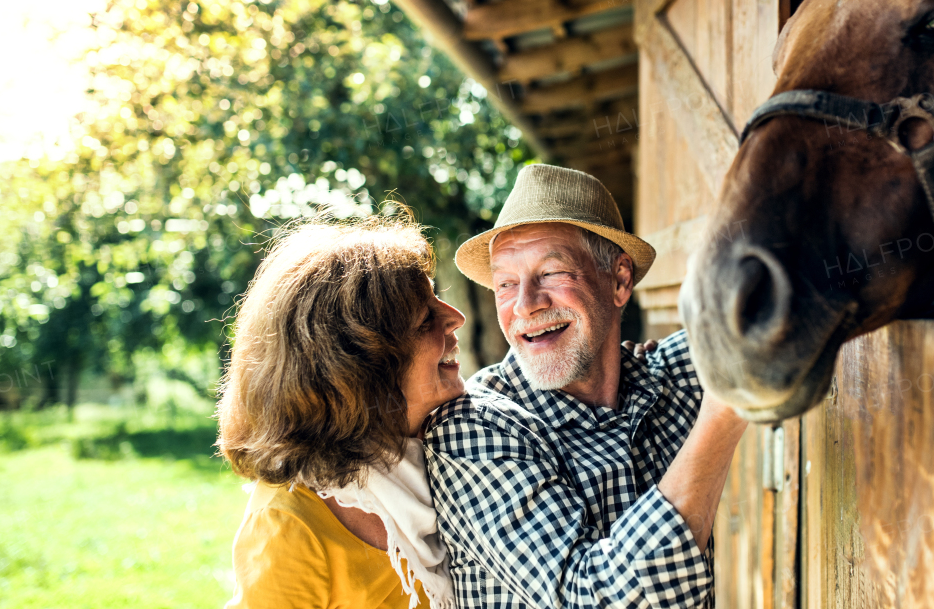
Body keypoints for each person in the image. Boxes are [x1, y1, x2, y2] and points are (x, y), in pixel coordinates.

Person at [425, 164, 748, 609]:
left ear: (619, 281)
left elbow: (768, 305)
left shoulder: (662, 381)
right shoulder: (472, 429)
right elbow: (590, 598)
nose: (525, 305)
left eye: (552, 273)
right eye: (505, 284)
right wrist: (724, 413)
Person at [216, 214, 466, 609]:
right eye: (425, 319)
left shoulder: (461, 448)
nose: (456, 317)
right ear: (362, 369)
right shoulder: (289, 526)